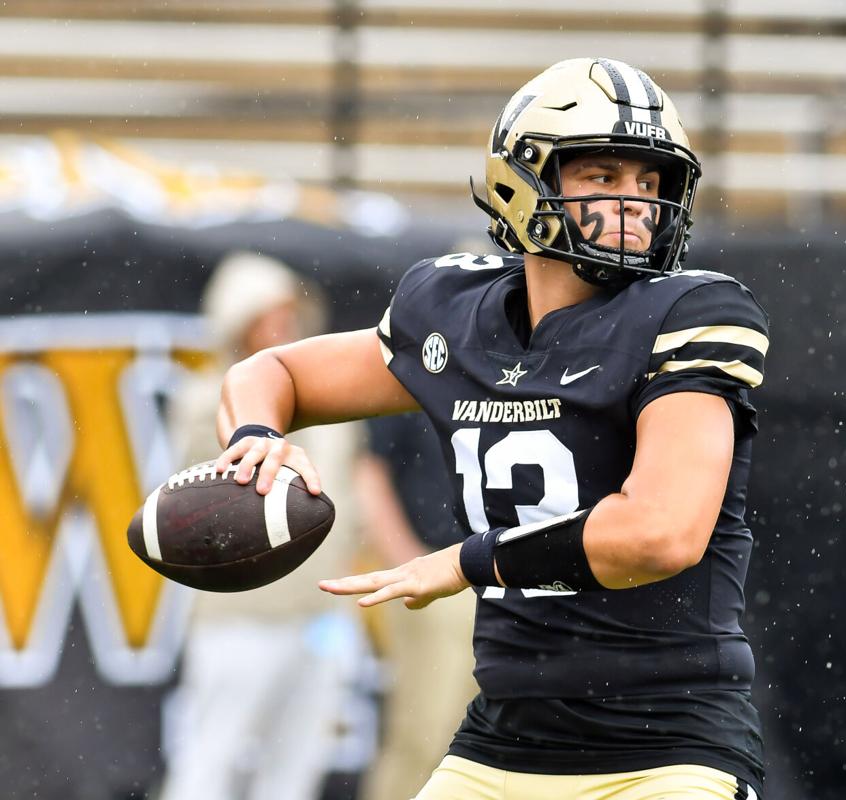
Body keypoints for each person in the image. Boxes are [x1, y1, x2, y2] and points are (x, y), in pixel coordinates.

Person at [213, 57, 770, 799]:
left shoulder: (692, 312)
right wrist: (255, 435)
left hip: (667, 745)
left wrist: (468, 562)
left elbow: (660, 533)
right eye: (604, 177)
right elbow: (271, 373)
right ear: (523, 179)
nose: (636, 202)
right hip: (504, 741)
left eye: (649, 181)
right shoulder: (453, 309)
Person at [161, 251, 366, 800]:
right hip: (240, 616)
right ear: (238, 322)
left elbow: (344, 498)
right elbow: (200, 505)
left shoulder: (332, 395)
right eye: (267, 315)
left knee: (297, 766)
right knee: (212, 759)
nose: (283, 325)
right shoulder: (208, 402)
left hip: (320, 613)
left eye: (287, 312)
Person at [355, 413, 479, 800]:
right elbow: (369, 470)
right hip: (434, 581)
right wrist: (406, 562)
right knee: (427, 736)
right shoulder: (422, 360)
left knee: (488, 747)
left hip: (508, 580)